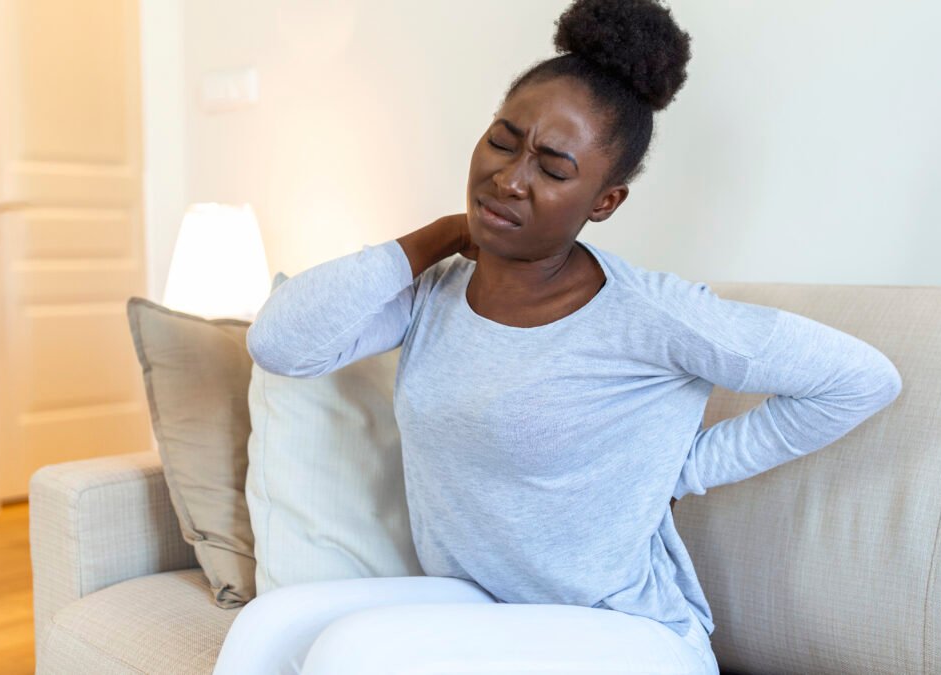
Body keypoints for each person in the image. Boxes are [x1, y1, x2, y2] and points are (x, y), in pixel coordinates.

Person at [214, 0, 903, 673]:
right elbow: (281, 344)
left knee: (349, 654)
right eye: (502, 141)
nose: (509, 179)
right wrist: (438, 236)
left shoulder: (652, 314)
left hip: (624, 632)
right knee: (269, 627)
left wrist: (682, 467)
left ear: (605, 201)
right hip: (489, 605)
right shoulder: (437, 291)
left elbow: (861, 379)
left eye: (552, 167)